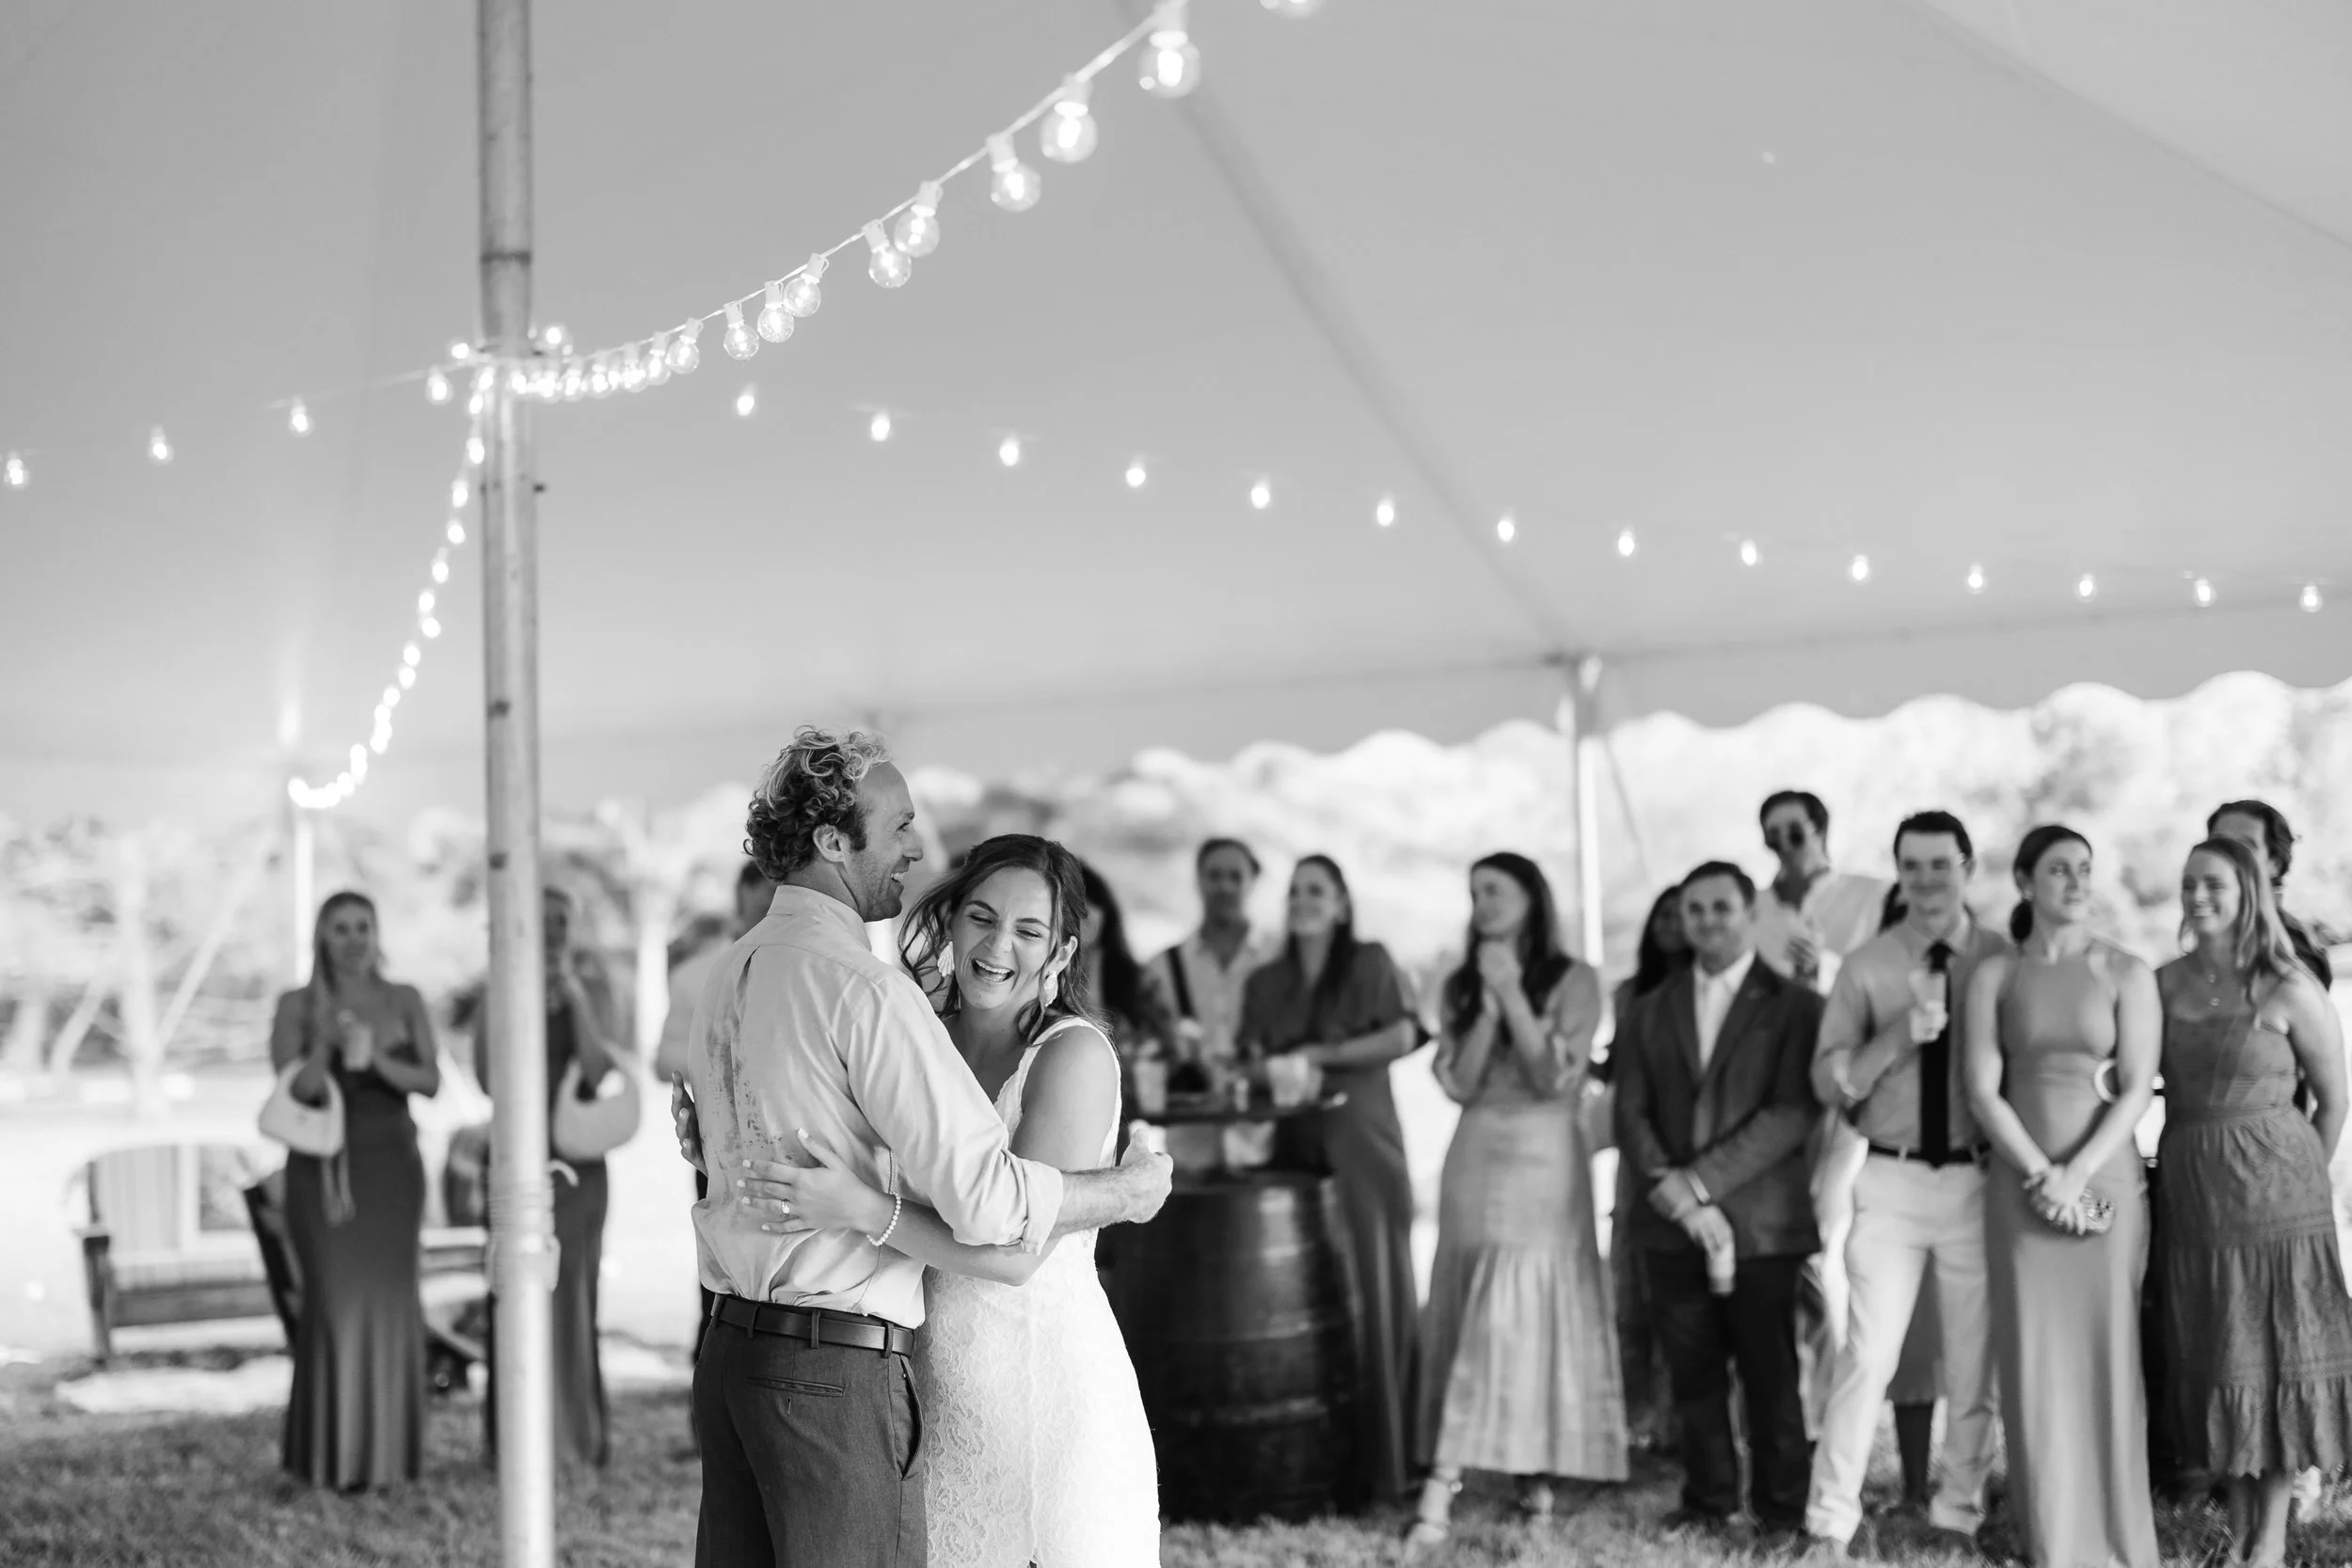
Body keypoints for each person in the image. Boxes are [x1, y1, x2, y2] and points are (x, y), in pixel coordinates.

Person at [672, 727, 1171, 1568]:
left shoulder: (733, 970)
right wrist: (1120, 1192)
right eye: (899, 825)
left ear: (1060, 951)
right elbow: (991, 1206)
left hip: (740, 1355)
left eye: (1027, 929)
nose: (917, 847)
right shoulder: (871, 996)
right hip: (831, 1375)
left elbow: (738, 1139)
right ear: (834, 840)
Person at [1406, 853, 1623, 1552]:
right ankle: (1452, 1466)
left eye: (1494, 889)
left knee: (1528, 1308)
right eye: (1474, 893)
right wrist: (1489, 1003)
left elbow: (1555, 1078)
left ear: (1532, 896)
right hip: (1476, 1151)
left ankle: (1526, 1465)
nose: (1483, 903)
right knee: (1475, 1297)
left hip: (1547, 1158)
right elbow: (1460, 1082)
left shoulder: (1578, 979)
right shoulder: (1462, 980)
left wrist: (1516, 996)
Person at [1804, 812, 2007, 1554]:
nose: (1926, 880)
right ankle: (1829, 1519)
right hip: (1887, 1177)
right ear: (1898, 872)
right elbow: (1830, 1080)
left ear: (1967, 866)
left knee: (1973, 1357)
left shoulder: (1999, 957)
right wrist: (1897, 1036)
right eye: (1912, 866)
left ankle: (1957, 1513)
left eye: (1940, 864)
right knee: (1866, 1356)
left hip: (1976, 1179)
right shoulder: (1867, 965)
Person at [1963, 826, 2160, 1568]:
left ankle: (2120, 1543)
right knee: (2034, 1362)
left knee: (2110, 1357)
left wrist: (2075, 1173)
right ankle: (2053, 1542)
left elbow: (2137, 1085)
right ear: (2023, 881)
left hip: (2105, 1182)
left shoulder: (2125, 971)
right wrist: (2041, 1173)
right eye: (2058, 869)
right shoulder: (1995, 976)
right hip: (2020, 1190)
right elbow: (1982, 1090)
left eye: (2084, 868)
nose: (2076, 881)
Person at [2153, 837, 2352, 1568]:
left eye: (2215, 884)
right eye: (2189, 883)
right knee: (2217, 1362)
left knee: (2271, 1369)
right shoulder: (2162, 983)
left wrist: (2291, 1185)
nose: (2198, 895)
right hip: (2195, 1199)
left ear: (2249, 895)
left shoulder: (2288, 984)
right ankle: (2237, 1534)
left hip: (2278, 1207)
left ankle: (2266, 1543)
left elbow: (2333, 1100)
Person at [1613, 862, 1822, 1543]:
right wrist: (1674, 1190)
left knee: (1770, 1373)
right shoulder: (1648, 1008)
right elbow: (1631, 1110)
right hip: (1669, 1222)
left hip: (1761, 1220)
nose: (1706, 920)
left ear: (1748, 910)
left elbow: (1793, 1110)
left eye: (1720, 907)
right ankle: (1708, 1499)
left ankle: (1782, 1511)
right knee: (1693, 1370)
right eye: (1694, 908)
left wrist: (1700, 1182)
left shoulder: (1795, 1005)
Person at [1239, 852, 1423, 1504]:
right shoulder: (1265, 981)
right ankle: (1321, 1457)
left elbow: (1404, 1034)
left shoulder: (1371, 960)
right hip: (1294, 1144)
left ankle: (1394, 1461)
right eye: (1296, 890)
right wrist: (1274, 1072)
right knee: (1305, 1300)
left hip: (1364, 1143)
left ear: (1343, 903)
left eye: (1318, 890)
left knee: (1375, 1292)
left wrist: (1318, 1055)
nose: (1304, 899)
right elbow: (1252, 1063)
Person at [269, 891, 442, 1491]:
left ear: (377, 933)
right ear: (322, 936)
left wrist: (374, 1062)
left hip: (391, 1171)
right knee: (334, 1307)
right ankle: (327, 1458)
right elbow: (292, 1090)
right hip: (320, 1176)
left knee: (392, 1306)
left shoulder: (405, 999)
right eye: (340, 928)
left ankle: (389, 1459)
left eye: (363, 926)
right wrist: (328, 1045)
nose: (353, 938)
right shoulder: (296, 1003)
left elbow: (431, 1081)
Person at [476, 884, 625, 1468]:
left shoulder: (595, 985)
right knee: (515, 1291)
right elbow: (490, 1078)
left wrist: (576, 1003)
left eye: (562, 921)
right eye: (543, 922)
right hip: (516, 1160)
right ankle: (514, 1440)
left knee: (575, 1297)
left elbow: (601, 1073)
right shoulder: (499, 986)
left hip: (579, 1166)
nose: (554, 932)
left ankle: (573, 1438)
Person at [656, 860, 776, 1351]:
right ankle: (711, 1347)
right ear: (742, 897)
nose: (776, 909)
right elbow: (664, 1056)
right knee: (719, 1252)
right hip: (719, 1144)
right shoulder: (696, 975)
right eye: (766, 898)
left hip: (793, 1146)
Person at [1600, 888, 1691, 1455]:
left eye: (1675, 917)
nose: (1668, 926)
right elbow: (1616, 1069)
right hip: (1637, 1159)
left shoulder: (1708, 993)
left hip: (1691, 1155)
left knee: (1682, 1301)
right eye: (1660, 915)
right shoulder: (1631, 994)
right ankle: (1638, 1421)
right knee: (1631, 1301)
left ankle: (1681, 1423)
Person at [1147, 837, 1280, 1072]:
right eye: (1215, 876)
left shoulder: (1278, 954)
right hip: (1193, 1104)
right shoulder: (1163, 967)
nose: (1225, 887)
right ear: (1198, 880)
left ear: (1253, 882)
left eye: (1235, 877)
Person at [1752, 791, 1888, 995]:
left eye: (1795, 832)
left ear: (1820, 830)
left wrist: (1823, 967)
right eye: (1773, 836)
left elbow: (1888, 973)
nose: (1785, 844)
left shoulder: (1871, 895)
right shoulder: (1751, 908)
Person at [2207, 800, 2333, 989]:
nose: (2228, 854)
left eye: (2245, 845)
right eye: (2218, 843)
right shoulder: (2210, 928)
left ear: (2274, 863)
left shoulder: (2293, 953)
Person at [1077, 860, 1175, 1065]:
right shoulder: (1032, 985)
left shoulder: (1137, 982)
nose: (1077, 919)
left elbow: (1166, 1053)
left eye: (1085, 906)